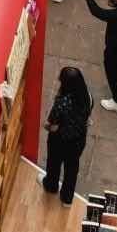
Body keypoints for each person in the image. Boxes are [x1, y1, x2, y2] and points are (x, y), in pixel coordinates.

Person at [42, 66, 92, 204]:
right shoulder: (88, 96)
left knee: (54, 163)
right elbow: (87, 117)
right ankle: (67, 198)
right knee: (72, 168)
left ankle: (51, 186)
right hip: (78, 139)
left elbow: (52, 125)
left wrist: (46, 126)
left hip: (60, 140)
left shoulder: (62, 103)